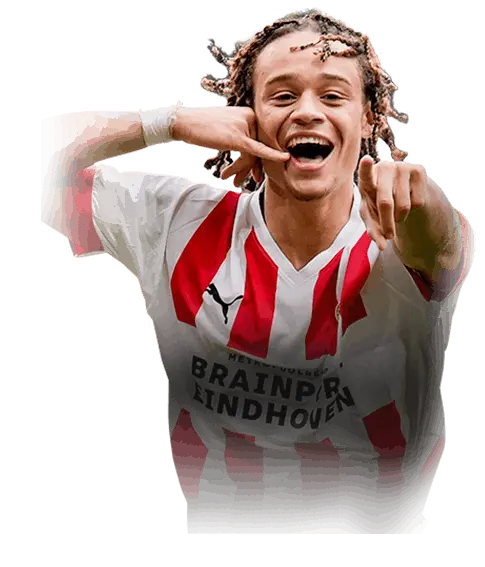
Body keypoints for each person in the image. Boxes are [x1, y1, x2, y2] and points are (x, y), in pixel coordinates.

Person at [40, 8, 474, 536]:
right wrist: (170, 122)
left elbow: (441, 243)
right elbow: (45, 167)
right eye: (283, 96)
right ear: (248, 119)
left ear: (366, 119)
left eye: (333, 95)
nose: (308, 111)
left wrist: (421, 199)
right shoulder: (177, 222)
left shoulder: (399, 237)